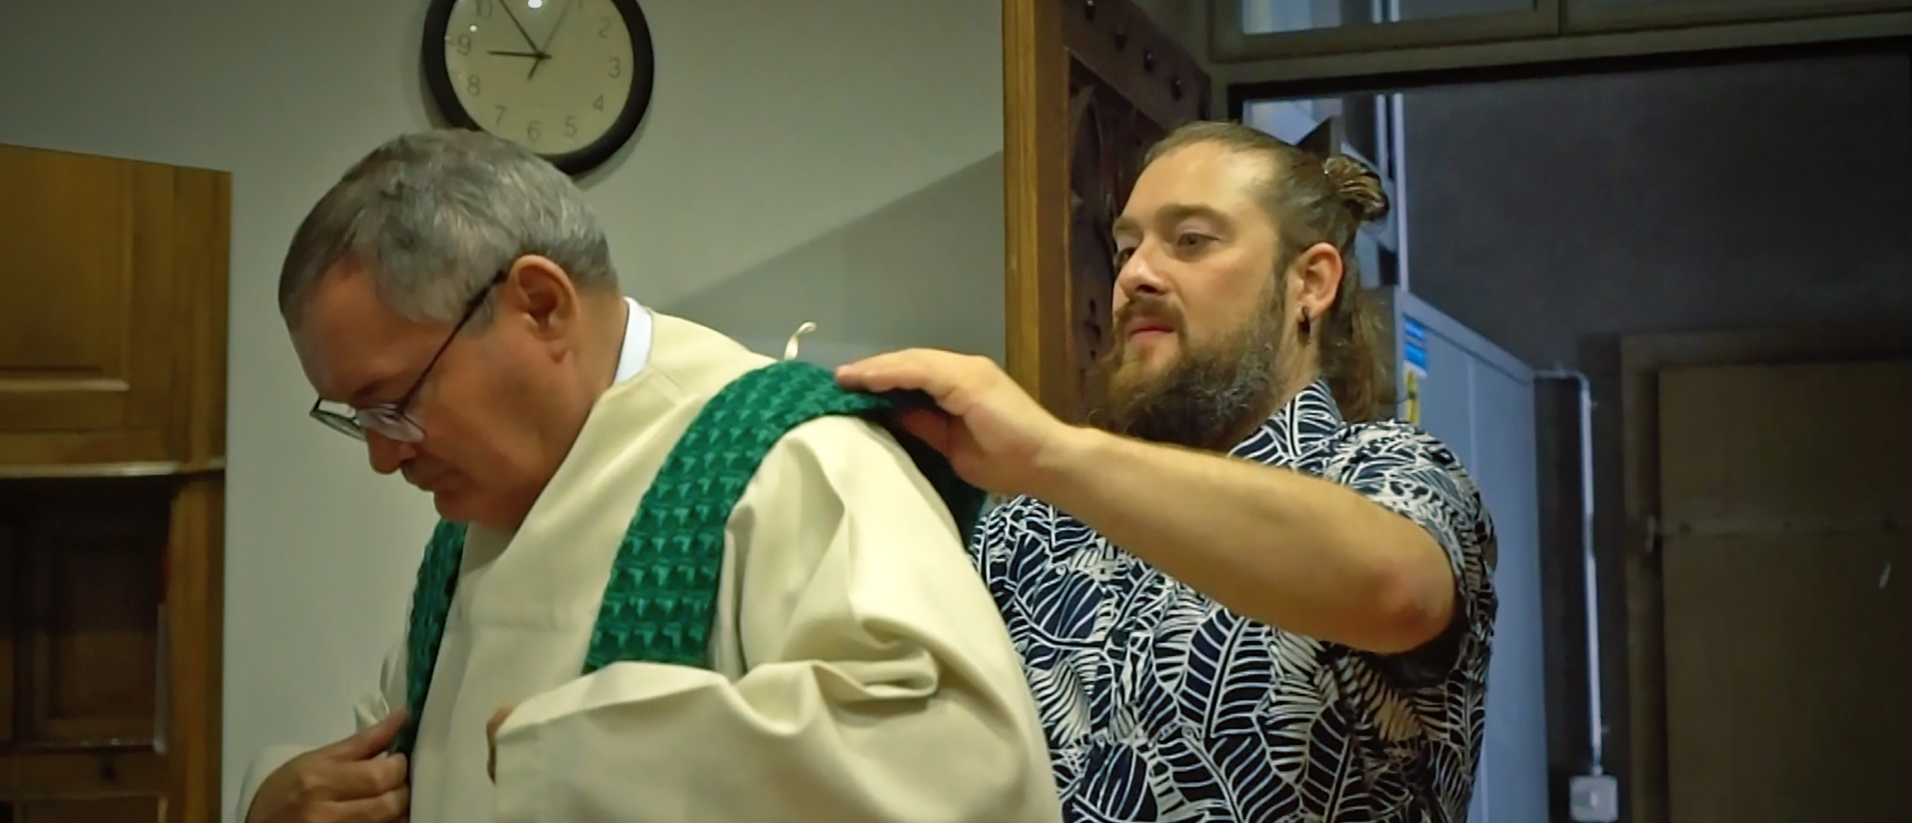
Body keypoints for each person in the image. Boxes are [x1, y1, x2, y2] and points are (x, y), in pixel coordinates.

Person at [237, 129, 1062, 823]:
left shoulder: (791, 459)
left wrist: (591, 755)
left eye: (396, 402)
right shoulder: (466, 534)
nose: (386, 455)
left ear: (540, 304)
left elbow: (969, 770)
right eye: (359, 418)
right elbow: (401, 761)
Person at [836, 121, 1498, 822]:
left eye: (1190, 241)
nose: (1134, 276)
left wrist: (1052, 454)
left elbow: (1395, 586)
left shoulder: (1392, 471)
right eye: (1126, 247)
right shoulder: (1034, 527)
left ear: (1311, 281)